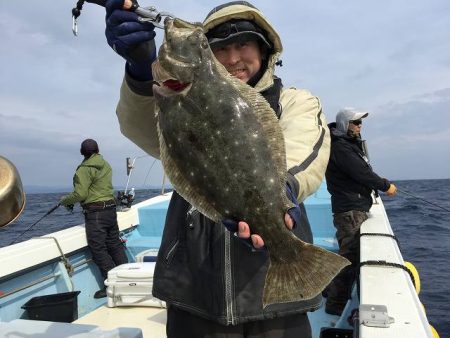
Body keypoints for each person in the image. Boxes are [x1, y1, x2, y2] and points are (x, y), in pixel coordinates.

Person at [105, 1, 331, 336]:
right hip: (194, 286)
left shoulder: (294, 100)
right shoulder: (177, 98)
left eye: (243, 45)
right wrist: (140, 73)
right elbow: (142, 129)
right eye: (220, 48)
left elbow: (305, 147)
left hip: (270, 298)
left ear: (264, 49)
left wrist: (281, 191)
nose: (234, 58)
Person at [324, 108, 397, 315]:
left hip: (352, 207)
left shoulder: (346, 145)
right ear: (345, 124)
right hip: (350, 210)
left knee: (348, 256)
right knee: (349, 259)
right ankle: (335, 306)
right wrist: (385, 185)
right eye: (355, 122)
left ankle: (332, 293)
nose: (359, 126)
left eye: (360, 122)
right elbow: (361, 172)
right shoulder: (342, 148)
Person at [59, 139, 128, 298]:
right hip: (111, 210)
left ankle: (112, 285)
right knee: (115, 245)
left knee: (98, 249)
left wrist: (64, 201)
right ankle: (127, 279)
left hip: (96, 214)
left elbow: (80, 194)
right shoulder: (106, 165)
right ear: (98, 150)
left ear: (82, 152)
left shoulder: (84, 169)